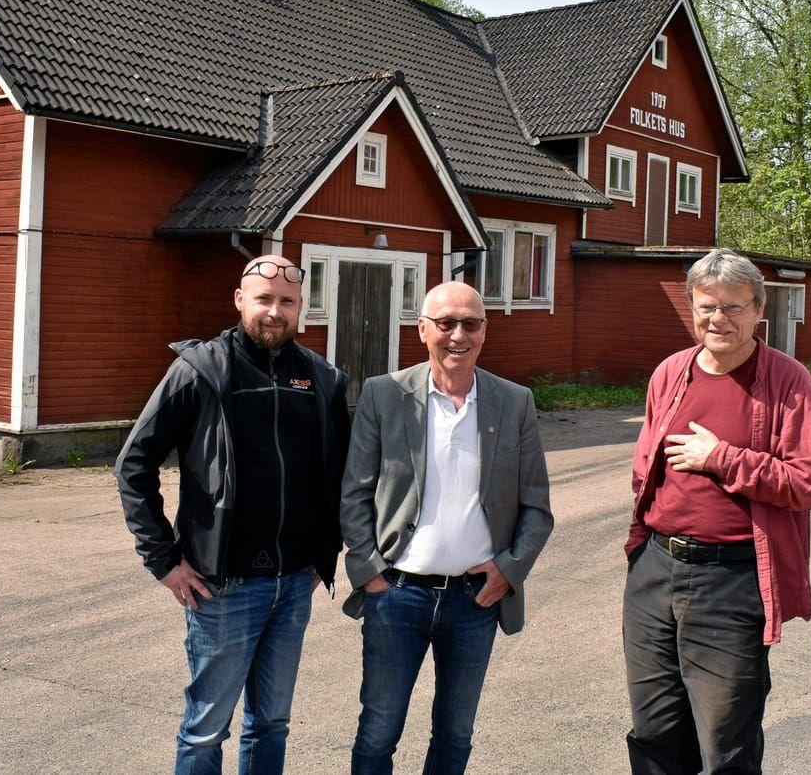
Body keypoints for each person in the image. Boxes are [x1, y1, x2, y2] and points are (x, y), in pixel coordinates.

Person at [114, 254, 351, 775]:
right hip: (223, 586)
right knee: (205, 731)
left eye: (286, 302)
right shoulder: (200, 370)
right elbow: (133, 464)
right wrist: (164, 560)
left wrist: (322, 553)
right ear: (240, 300)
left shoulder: (322, 379)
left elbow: (338, 475)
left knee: (272, 723)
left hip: (292, 585)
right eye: (264, 299)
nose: (275, 311)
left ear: (301, 309)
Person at [623, 248, 811, 774]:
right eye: (707, 307)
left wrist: (721, 458)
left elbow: (804, 483)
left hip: (732, 577)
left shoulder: (787, 381)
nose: (719, 319)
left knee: (725, 740)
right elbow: (646, 469)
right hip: (656, 569)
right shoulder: (671, 372)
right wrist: (640, 547)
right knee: (654, 730)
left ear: (759, 309)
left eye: (734, 308)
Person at [340, 280, 554, 775]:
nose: (458, 335)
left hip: (474, 600)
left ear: (484, 331)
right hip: (397, 595)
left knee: (455, 735)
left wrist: (508, 571)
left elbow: (537, 507)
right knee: (378, 731)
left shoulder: (514, 401)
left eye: (471, 324)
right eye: (446, 323)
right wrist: (369, 570)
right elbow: (354, 492)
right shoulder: (384, 394)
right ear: (422, 330)